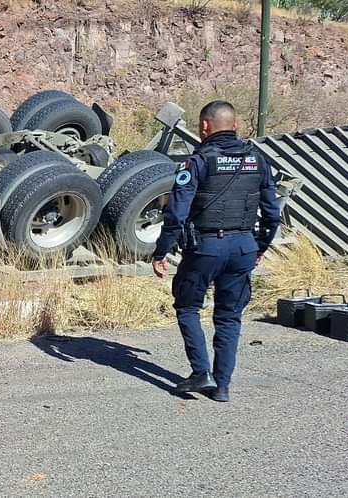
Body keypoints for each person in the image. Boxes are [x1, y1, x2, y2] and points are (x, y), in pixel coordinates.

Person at [152, 100, 281, 403]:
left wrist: (161, 252)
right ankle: (222, 385)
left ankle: (201, 373)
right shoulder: (257, 160)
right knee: (229, 317)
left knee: (187, 307)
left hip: (206, 248)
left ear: (204, 127)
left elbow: (175, 214)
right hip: (244, 247)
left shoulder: (197, 162)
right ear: (235, 126)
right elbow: (273, 214)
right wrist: (261, 246)